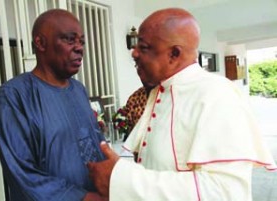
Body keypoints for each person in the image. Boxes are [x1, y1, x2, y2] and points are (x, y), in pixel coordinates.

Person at [87, 8, 277, 200]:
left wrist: (122, 180)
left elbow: (223, 192)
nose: (134, 53)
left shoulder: (217, 95)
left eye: (143, 47)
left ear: (174, 54)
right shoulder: (161, 91)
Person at [0, 9, 107, 201]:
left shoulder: (79, 90)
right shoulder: (14, 96)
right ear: (41, 43)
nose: (79, 48)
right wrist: (85, 198)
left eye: (81, 41)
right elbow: (23, 173)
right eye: (70, 40)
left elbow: (96, 145)